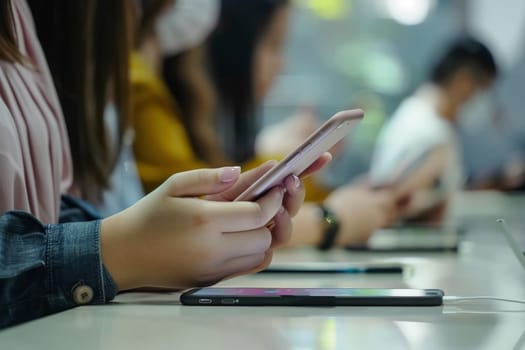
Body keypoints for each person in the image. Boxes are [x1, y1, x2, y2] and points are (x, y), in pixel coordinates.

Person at [0, 0, 317, 328]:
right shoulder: (135, 84)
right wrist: (120, 249)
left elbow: (42, 210)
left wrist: (167, 240)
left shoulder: (19, 20)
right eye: (273, 45)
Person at [370, 37, 498, 222]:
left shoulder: (422, 118)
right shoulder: (428, 130)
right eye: (481, 90)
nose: (478, 101)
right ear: (463, 81)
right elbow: (395, 203)